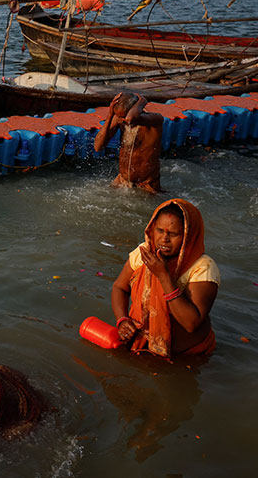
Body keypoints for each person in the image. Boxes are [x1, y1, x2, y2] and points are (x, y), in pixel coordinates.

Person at [111, 198, 220, 358]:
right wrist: (122, 320)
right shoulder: (144, 254)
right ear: (152, 229)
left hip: (188, 357)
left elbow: (191, 323)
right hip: (142, 348)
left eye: (174, 234)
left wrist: (163, 276)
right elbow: (120, 287)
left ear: (188, 236)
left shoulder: (203, 268)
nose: (164, 239)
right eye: (160, 231)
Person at [93, 92, 163, 194]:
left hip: (147, 184)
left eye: (123, 117)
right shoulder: (119, 119)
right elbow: (97, 146)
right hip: (122, 180)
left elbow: (130, 118)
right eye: (119, 116)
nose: (122, 120)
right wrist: (110, 115)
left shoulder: (154, 120)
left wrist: (141, 101)